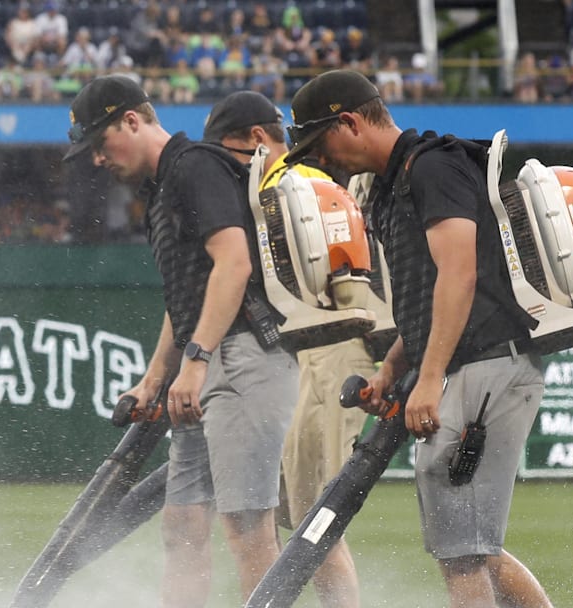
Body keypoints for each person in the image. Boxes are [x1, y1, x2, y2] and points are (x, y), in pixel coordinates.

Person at [284, 69, 554, 608]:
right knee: (471, 547)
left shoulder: (433, 166)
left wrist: (428, 380)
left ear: (350, 122)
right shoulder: (394, 183)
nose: (322, 157)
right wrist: (392, 368)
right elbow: (430, 296)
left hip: (485, 362)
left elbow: (460, 275)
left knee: (463, 553)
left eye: (321, 142)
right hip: (471, 363)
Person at [64, 75, 298, 607]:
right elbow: (187, 297)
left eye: (100, 144)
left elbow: (233, 265)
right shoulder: (165, 185)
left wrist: (195, 361)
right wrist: (155, 377)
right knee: (183, 523)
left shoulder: (194, 165)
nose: (98, 160)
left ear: (132, 120)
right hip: (211, 362)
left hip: (243, 359)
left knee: (247, 528)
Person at [202, 90, 371, 608]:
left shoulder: (295, 185)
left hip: (334, 351)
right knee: (296, 516)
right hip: (309, 356)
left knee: (316, 518)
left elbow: (346, 289)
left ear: (257, 138)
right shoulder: (287, 185)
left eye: (229, 151)